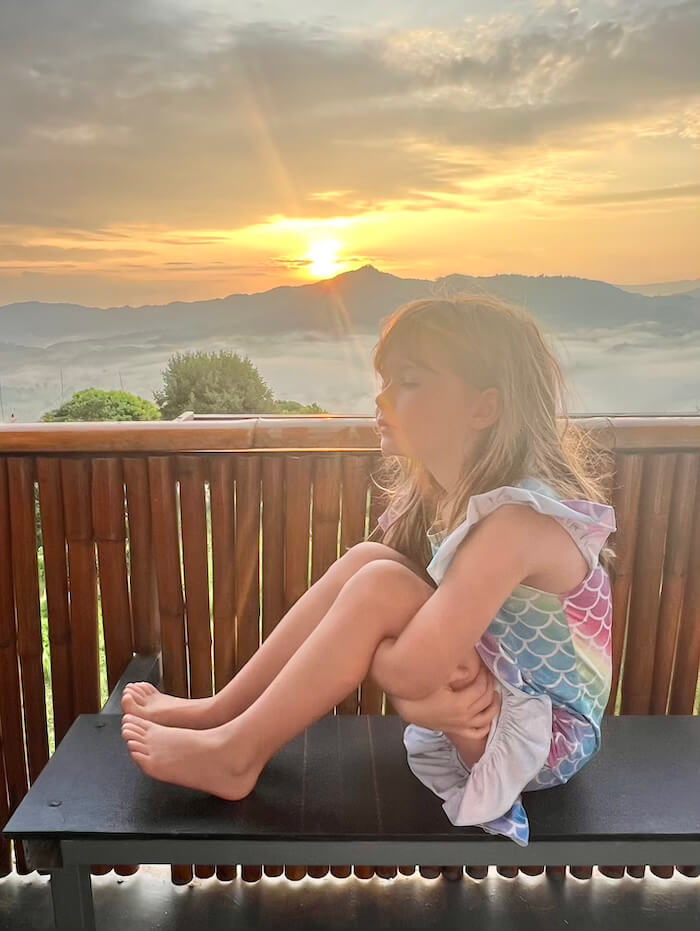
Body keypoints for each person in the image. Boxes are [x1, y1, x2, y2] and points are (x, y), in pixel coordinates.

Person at [121, 293, 616, 847]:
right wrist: (399, 674)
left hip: (539, 737)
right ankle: (220, 712)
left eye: (409, 381)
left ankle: (237, 756)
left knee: (379, 585)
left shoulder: (516, 523)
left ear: (484, 408)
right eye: (385, 378)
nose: (381, 396)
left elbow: (409, 673)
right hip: (491, 698)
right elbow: (416, 651)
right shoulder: (470, 503)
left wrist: (413, 697)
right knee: (368, 561)